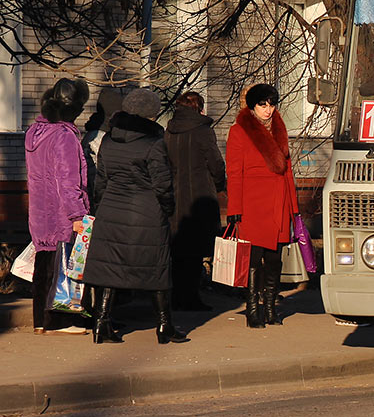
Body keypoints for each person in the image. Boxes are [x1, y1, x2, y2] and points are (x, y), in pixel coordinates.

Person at [84, 88, 187, 344]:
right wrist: (168, 210)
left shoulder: (108, 139)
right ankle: (165, 326)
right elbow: (163, 185)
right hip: (146, 215)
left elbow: (102, 181)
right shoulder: (153, 143)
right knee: (158, 270)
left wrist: (101, 208)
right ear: (150, 115)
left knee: (108, 271)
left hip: (111, 211)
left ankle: (100, 324)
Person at [226, 83, 300, 328]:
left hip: (279, 201)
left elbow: (287, 169)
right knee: (254, 259)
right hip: (253, 203)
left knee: (275, 258)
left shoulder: (280, 127)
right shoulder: (239, 131)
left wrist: (293, 207)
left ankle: (270, 308)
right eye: (262, 105)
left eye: (271, 104)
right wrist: (234, 208)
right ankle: (252, 309)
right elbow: (234, 172)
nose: (268, 110)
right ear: (252, 106)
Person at [24, 78, 91, 336]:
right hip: (62, 212)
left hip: (40, 212)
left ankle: (40, 320)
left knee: (44, 264)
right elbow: (68, 180)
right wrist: (78, 214)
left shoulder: (34, 133)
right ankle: (60, 321)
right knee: (66, 266)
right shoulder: (64, 137)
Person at [165, 91, 226, 312]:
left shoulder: (168, 131)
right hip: (199, 196)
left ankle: (176, 296)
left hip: (174, 195)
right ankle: (190, 297)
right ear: (198, 108)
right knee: (195, 251)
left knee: (178, 249)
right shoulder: (203, 131)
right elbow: (216, 164)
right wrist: (219, 185)